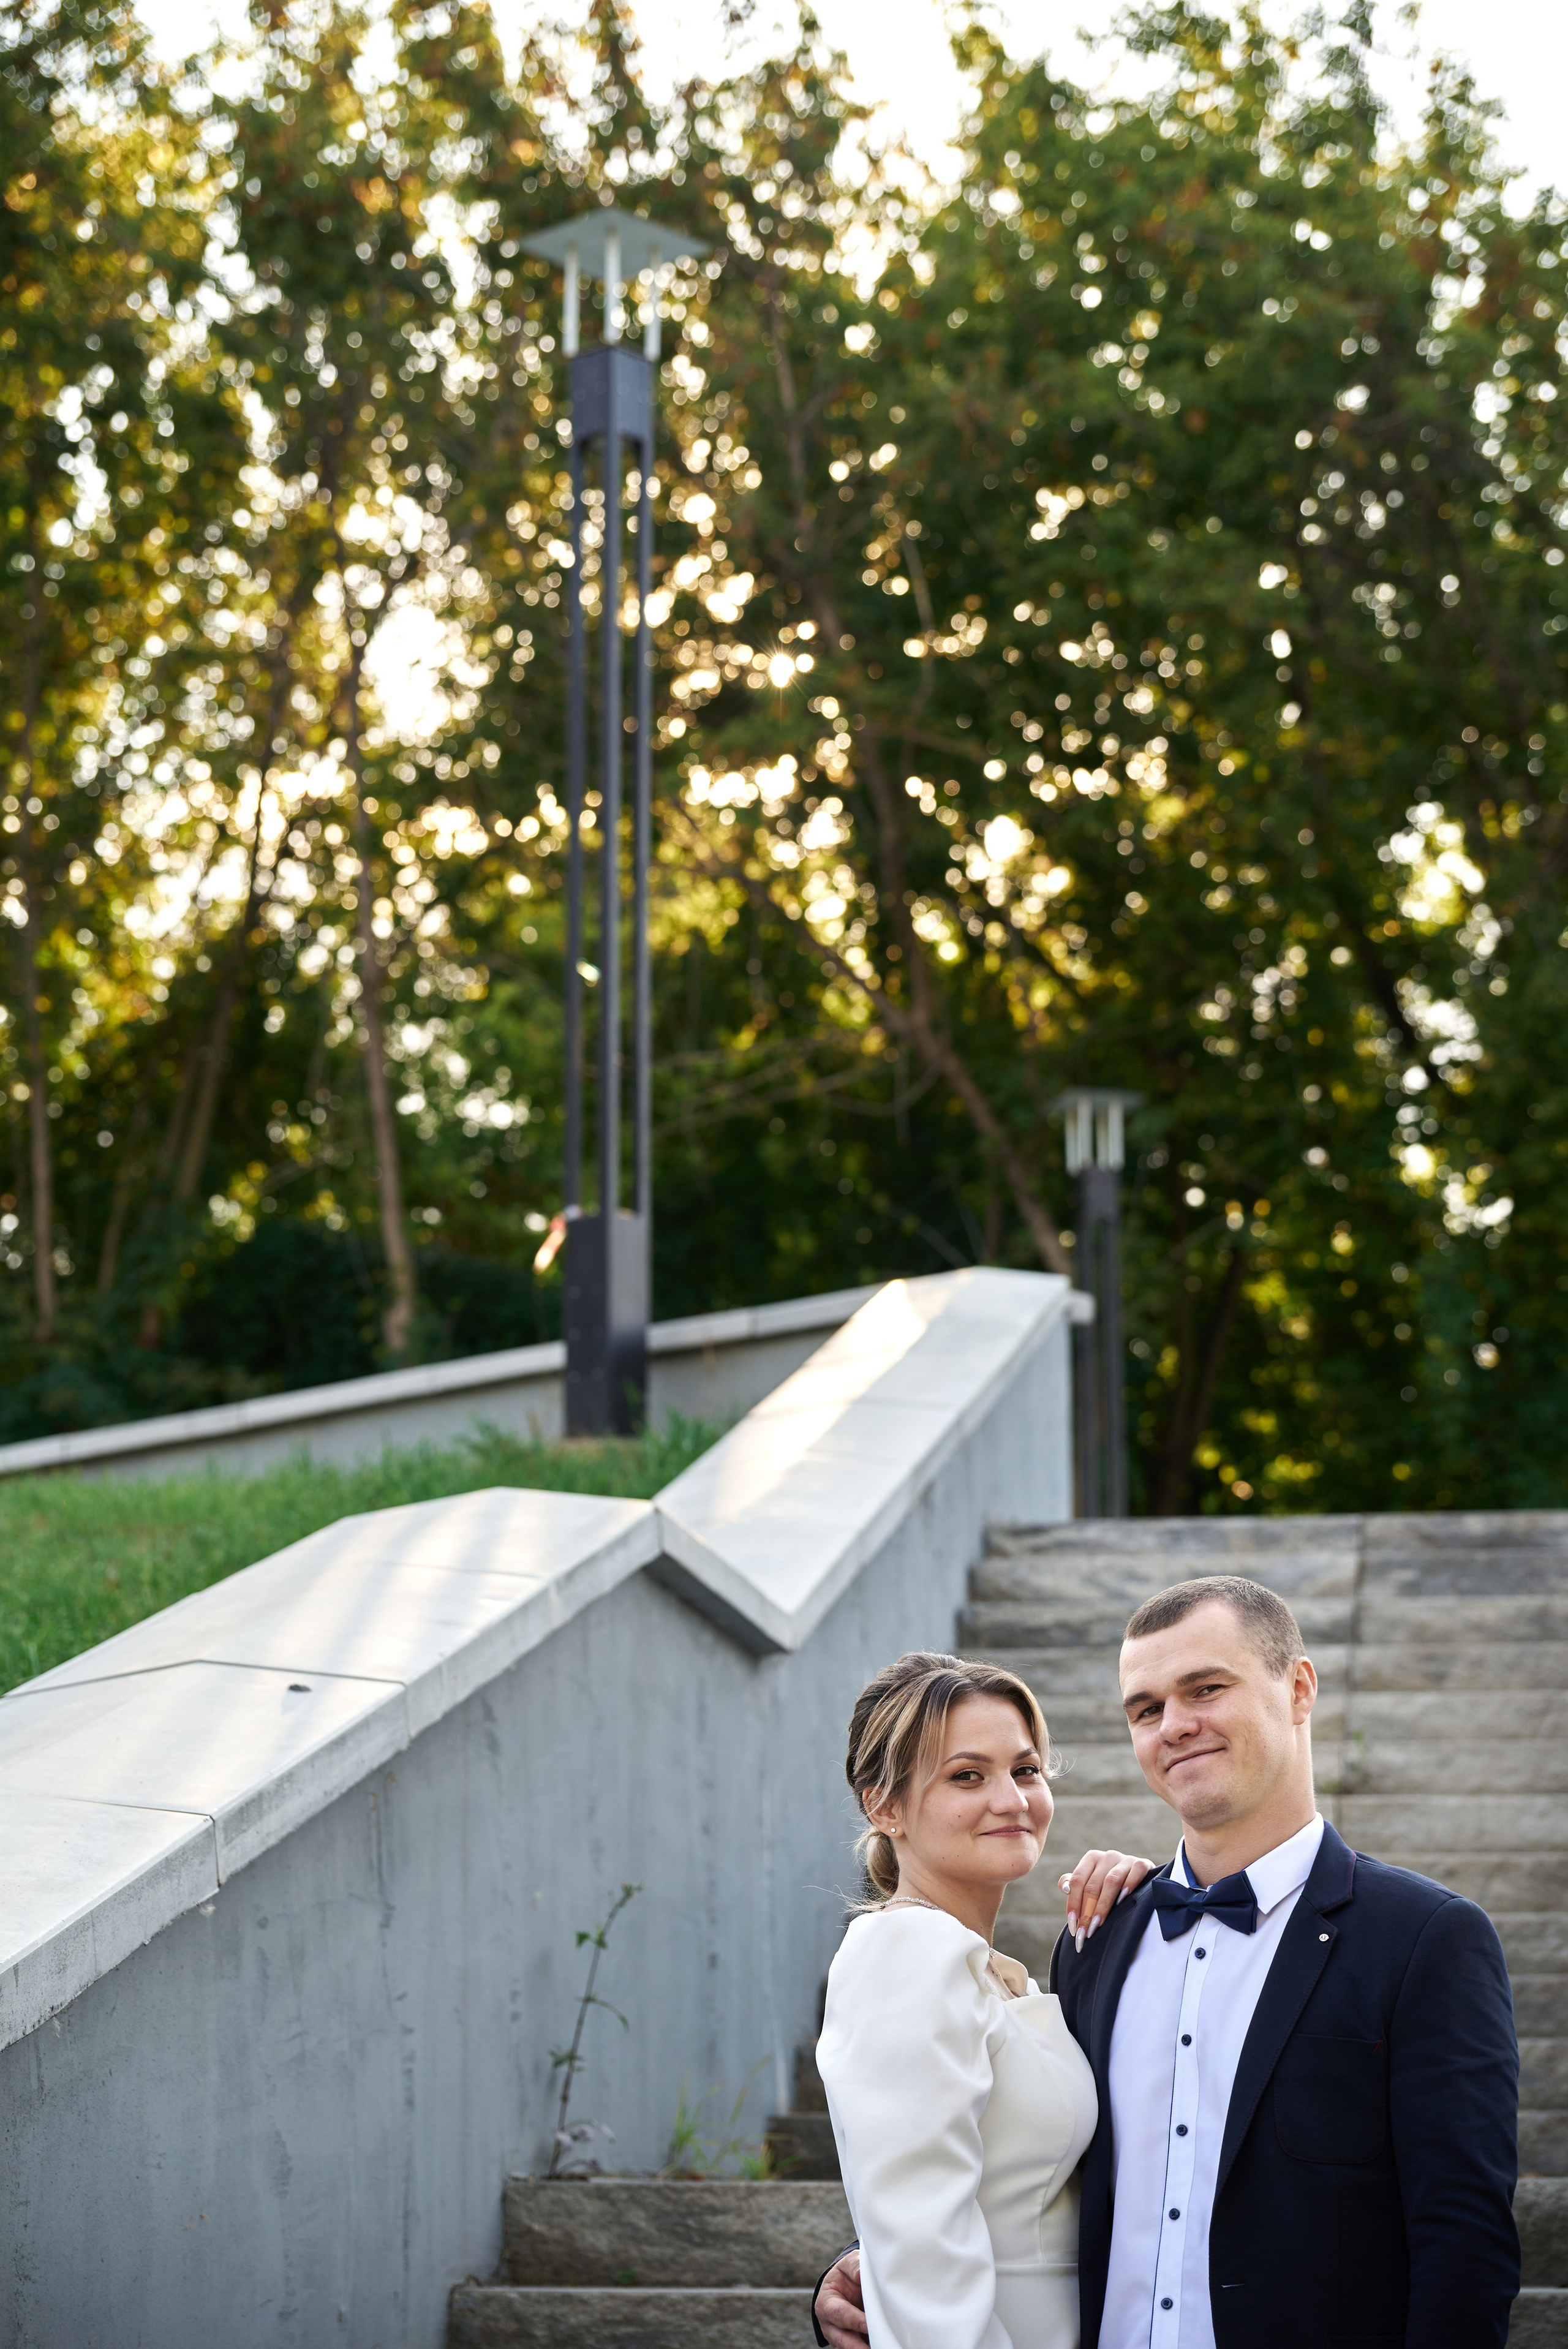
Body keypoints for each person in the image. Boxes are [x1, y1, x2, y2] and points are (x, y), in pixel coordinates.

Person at [815, 1576, 1521, 2349]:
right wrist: (872, 2270)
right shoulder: (1098, 1937)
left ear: (1297, 1688)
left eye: (1205, 1689)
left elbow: (1465, 2244)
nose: (1175, 1725)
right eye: (1146, 1708)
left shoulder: (1426, 1939)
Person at [814, 1651, 1150, 2349]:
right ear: (883, 1804)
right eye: (968, 1775)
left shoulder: (1001, 1976)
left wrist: (1151, 1906)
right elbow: (921, 2238)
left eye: (1025, 1770)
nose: (1012, 1799)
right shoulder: (905, 1952)